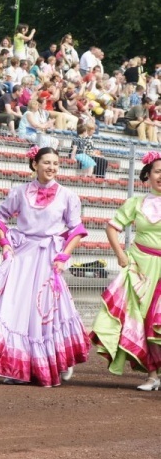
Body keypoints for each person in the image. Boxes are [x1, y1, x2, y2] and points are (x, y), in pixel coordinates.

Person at [0, 146, 90, 387]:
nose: (51, 167)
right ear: (34, 164)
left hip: (49, 258)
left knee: (48, 310)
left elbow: (76, 230)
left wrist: (63, 257)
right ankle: (16, 365)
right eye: (46, 162)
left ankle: (57, 362)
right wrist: (5, 244)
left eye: (55, 163)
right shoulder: (18, 192)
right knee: (16, 310)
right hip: (22, 257)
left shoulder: (68, 195)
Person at [91, 151, 161, 391]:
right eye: (157, 171)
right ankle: (153, 375)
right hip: (141, 268)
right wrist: (121, 255)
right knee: (145, 321)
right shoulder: (136, 203)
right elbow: (112, 227)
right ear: (148, 175)